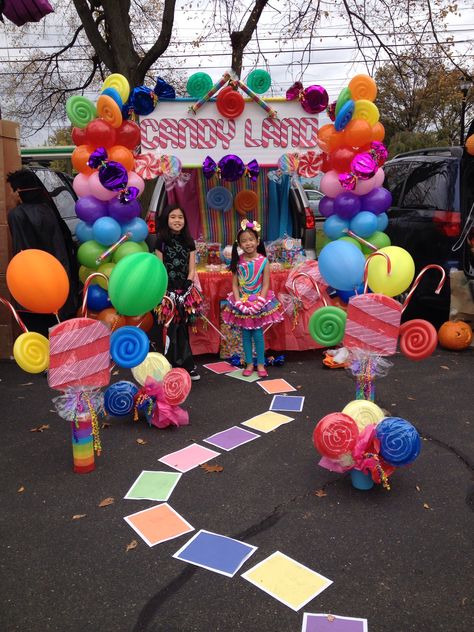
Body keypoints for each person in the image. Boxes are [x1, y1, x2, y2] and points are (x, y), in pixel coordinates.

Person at [6, 168, 79, 329]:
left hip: (35, 287)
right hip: (59, 282)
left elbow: (22, 252)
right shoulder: (49, 210)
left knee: (38, 337)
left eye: (11, 190)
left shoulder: (17, 215)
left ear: (18, 192)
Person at [222, 219, 283, 377]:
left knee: (257, 334)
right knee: (245, 335)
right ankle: (249, 364)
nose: (248, 243)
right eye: (244, 241)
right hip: (242, 304)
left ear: (257, 241)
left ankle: (261, 364)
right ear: (239, 244)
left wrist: (260, 302)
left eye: (251, 239)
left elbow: (265, 285)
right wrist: (239, 302)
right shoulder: (238, 262)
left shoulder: (263, 261)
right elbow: (235, 285)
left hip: (258, 304)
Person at [154, 204, 201, 380]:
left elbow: (192, 268)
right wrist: (167, 290)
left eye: (180, 217)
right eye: (173, 217)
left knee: (183, 327)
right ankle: (167, 365)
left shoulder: (189, 241)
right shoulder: (161, 241)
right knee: (169, 327)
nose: (177, 220)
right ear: (167, 219)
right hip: (167, 291)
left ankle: (187, 366)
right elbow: (159, 267)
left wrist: (187, 287)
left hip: (185, 290)